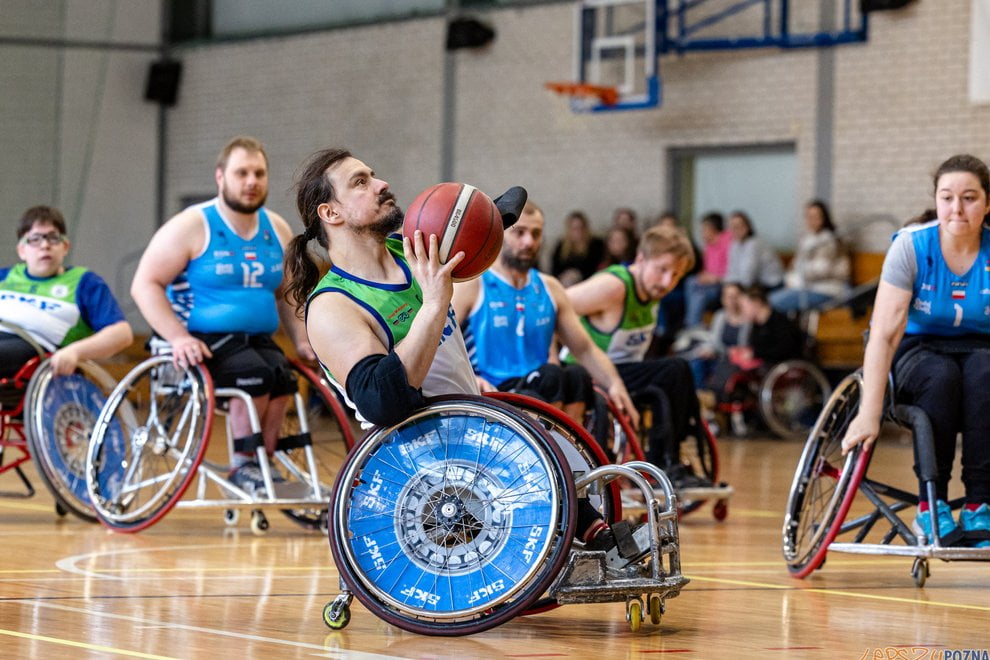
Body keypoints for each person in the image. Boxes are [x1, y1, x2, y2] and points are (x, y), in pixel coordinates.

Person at [282, 147, 620, 550]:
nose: (381, 183)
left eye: (373, 174)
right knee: (543, 450)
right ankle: (592, 535)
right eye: (361, 182)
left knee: (561, 445)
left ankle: (596, 532)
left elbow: (464, 230)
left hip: (470, 420)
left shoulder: (410, 253)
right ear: (330, 213)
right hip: (418, 448)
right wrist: (433, 304)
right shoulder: (333, 305)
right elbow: (383, 401)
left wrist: (492, 216)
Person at [129, 136, 313, 493]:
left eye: (259, 173)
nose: (251, 181)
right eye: (241, 173)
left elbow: (287, 295)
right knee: (255, 375)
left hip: (256, 339)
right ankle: (243, 465)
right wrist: (177, 337)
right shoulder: (191, 225)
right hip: (201, 340)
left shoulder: (276, 228)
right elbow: (144, 285)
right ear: (220, 177)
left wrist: (304, 340)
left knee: (283, 379)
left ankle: (264, 462)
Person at [842, 154, 990, 547]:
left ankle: (980, 505)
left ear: (987, 204)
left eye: (970, 197)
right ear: (937, 201)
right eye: (947, 197)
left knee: (985, 373)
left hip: (980, 351)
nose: (957, 208)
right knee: (941, 377)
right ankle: (933, 502)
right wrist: (869, 413)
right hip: (917, 350)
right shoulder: (911, 247)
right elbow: (884, 334)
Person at [452, 200, 638, 427]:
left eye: (536, 234)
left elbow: (585, 348)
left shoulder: (550, 288)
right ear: (498, 236)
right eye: (519, 233)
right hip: (493, 392)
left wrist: (616, 384)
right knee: (548, 380)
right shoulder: (473, 285)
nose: (529, 241)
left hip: (542, 384)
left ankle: (570, 451)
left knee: (577, 376)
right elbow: (441, 345)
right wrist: (470, 378)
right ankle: (555, 449)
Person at [564, 225, 711, 488]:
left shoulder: (653, 290)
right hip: (587, 373)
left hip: (622, 372)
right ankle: (662, 464)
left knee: (677, 371)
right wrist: (552, 357)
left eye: (676, 275)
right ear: (641, 259)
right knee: (674, 369)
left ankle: (670, 455)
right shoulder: (614, 286)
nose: (668, 282)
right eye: (662, 270)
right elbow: (554, 306)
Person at [1, 205, 133, 379]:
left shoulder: (85, 283)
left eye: (53, 238)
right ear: (21, 250)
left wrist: (75, 351)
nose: (45, 245)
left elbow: (122, 334)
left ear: (65, 247)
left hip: (36, 348)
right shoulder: (5, 277)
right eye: (35, 239)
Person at [769, 200, 850, 314]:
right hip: (804, 287)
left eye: (815, 216)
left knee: (772, 302)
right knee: (763, 301)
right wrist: (792, 277)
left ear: (823, 218)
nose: (811, 220)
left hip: (825, 290)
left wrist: (796, 277)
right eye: (808, 217)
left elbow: (820, 269)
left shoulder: (829, 240)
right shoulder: (807, 238)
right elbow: (795, 264)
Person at [675, 281, 751, 389]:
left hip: (734, 361)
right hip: (718, 356)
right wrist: (709, 350)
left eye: (735, 296)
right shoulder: (720, 315)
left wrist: (722, 351)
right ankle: (699, 396)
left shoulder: (748, 320)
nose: (731, 300)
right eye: (728, 297)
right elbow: (714, 341)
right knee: (696, 362)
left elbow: (744, 348)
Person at [684, 212, 732, 328]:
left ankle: (692, 326)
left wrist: (714, 278)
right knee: (691, 281)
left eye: (704, 229)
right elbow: (707, 269)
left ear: (713, 229)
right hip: (709, 283)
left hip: (722, 284)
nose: (702, 233)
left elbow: (733, 271)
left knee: (699, 295)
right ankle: (691, 323)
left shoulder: (729, 242)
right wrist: (704, 276)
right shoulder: (708, 246)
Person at [724, 210, 784, 291]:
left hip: (771, 285)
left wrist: (733, 287)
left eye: (738, 226)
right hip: (753, 284)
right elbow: (731, 271)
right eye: (732, 227)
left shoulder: (754, 244)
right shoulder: (734, 245)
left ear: (748, 227)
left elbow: (748, 277)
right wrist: (728, 284)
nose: (735, 230)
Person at [551, 210, 604, 286]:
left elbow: (597, 268)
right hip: (565, 284)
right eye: (574, 228)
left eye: (581, 228)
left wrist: (578, 275)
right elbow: (555, 270)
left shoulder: (595, 245)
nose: (578, 232)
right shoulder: (561, 246)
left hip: (589, 283)